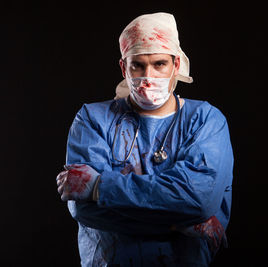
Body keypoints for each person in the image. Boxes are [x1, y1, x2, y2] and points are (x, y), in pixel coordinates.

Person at [56, 12, 234, 267]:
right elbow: (85, 210)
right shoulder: (92, 119)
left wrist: (99, 188)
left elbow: (198, 200)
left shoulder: (205, 120)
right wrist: (180, 221)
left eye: (159, 64)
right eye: (137, 65)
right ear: (123, 67)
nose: (148, 76)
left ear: (176, 65)